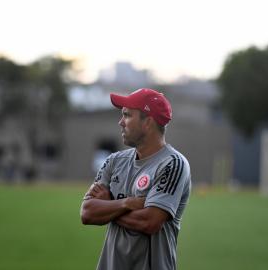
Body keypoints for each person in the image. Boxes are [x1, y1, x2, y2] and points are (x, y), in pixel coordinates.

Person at [80, 88, 191, 270]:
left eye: (127, 115)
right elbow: (87, 213)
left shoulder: (173, 164)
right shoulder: (114, 161)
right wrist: (126, 203)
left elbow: (149, 222)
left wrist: (109, 205)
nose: (120, 122)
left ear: (147, 122)